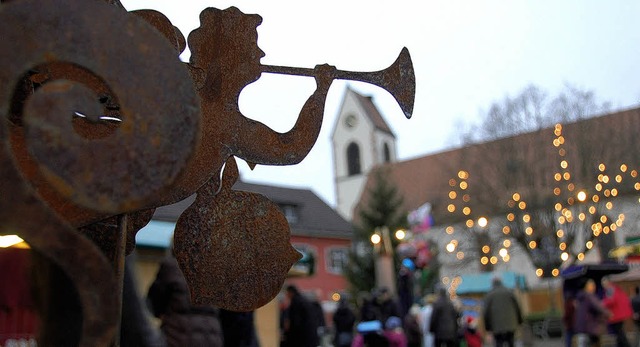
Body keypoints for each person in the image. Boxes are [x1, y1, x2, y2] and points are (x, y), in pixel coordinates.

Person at [147, 255, 223, 347]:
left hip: (177, 337)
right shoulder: (215, 268)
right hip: (212, 339)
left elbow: (154, 301)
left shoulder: (171, 266)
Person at [482, 276, 523, 347]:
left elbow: (486, 312)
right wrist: (520, 321)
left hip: (496, 326)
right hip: (511, 323)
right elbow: (517, 307)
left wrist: (487, 327)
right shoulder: (509, 292)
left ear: (492, 283)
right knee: (511, 342)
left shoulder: (489, 295)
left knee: (498, 343)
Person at [574, 279, 610, 347]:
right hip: (591, 325)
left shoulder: (579, 296)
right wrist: (608, 313)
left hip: (581, 325)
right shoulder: (589, 296)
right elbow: (599, 307)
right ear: (586, 286)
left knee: (583, 343)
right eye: (592, 285)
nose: (594, 287)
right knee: (594, 342)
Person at [602, 277, 633, 347]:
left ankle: (626, 345)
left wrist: (602, 303)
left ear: (607, 283)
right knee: (619, 332)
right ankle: (620, 345)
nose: (603, 285)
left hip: (616, 315)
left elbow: (611, 301)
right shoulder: (614, 288)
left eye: (604, 283)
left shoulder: (610, 289)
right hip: (619, 314)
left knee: (619, 332)